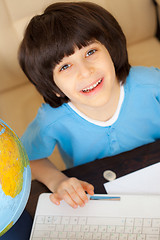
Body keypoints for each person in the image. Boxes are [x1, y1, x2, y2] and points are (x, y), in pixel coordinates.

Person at [18, 2, 160, 209]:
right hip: (96, 193)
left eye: (90, 52)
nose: (85, 72)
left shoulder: (149, 82)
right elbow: (26, 159)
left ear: (110, 50)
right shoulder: (51, 120)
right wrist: (57, 181)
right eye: (65, 66)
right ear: (53, 87)